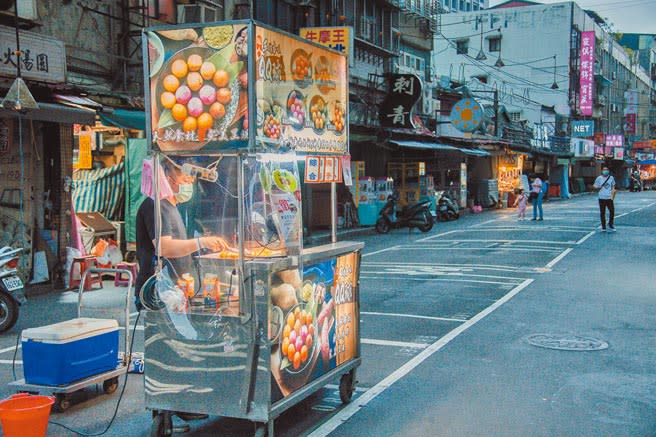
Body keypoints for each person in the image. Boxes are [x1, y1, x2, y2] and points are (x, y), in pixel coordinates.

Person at [135, 158, 227, 311]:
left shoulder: (172, 206)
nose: (189, 184)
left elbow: (178, 247)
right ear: (167, 179)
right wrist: (201, 242)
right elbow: (164, 248)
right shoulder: (155, 205)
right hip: (159, 292)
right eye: (185, 180)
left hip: (176, 290)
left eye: (191, 180)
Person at [593, 166, 616, 232]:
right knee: (602, 212)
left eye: (606, 170)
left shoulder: (611, 178)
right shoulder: (599, 178)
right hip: (601, 197)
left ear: (608, 171)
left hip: (609, 197)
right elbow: (594, 185)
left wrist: (613, 193)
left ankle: (610, 224)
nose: (605, 171)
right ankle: (603, 226)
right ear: (601, 171)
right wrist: (597, 187)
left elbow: (613, 186)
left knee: (612, 211)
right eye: (604, 170)